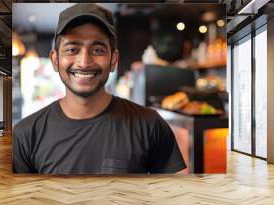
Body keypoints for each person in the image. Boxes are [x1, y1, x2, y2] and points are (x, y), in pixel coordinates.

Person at [12, 3, 186, 174]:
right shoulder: (26, 134)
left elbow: (173, 196)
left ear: (113, 60)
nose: (84, 62)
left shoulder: (150, 125)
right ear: (55, 60)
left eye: (97, 50)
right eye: (72, 49)